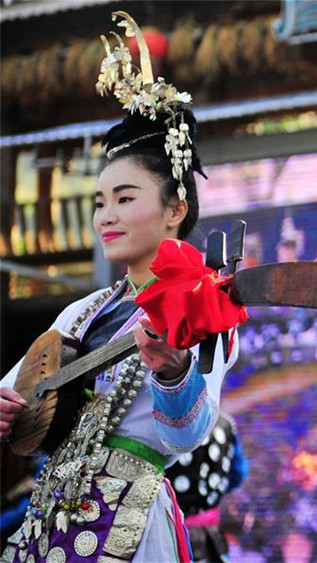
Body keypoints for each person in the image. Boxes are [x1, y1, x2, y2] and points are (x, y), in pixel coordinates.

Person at [0, 13, 238, 562]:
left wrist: (174, 374)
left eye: (125, 199)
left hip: (130, 516)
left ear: (175, 209)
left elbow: (187, 435)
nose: (106, 215)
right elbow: (15, 389)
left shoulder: (207, 301)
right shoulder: (83, 312)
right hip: (51, 516)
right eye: (100, 202)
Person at [165, 412, 249, 563]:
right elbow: (237, 474)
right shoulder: (225, 423)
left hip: (169, 537)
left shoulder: (165, 420)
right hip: (211, 538)